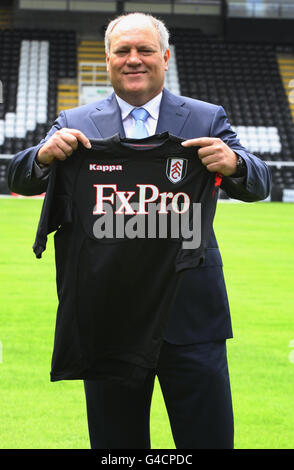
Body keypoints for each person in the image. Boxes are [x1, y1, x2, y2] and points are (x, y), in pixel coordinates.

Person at [8, 12, 271, 449]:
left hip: (191, 317)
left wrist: (238, 163)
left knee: (209, 440)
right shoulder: (78, 121)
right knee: (117, 446)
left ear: (164, 57)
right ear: (107, 60)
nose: (134, 59)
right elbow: (19, 178)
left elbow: (259, 182)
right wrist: (43, 155)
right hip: (109, 316)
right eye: (122, 51)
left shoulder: (207, 119)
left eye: (145, 50)